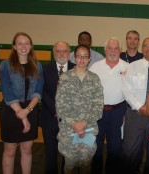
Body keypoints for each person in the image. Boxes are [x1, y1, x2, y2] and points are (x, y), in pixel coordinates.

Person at [0, 32, 44, 174]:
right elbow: (7, 92)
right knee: (10, 151)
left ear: (31, 46)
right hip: (11, 111)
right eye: (20, 43)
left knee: (27, 149)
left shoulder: (38, 65)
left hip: (31, 110)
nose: (23, 46)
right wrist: (22, 115)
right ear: (14, 46)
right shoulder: (5, 65)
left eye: (26, 43)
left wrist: (28, 110)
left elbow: (38, 91)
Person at [121, 37, 149, 174]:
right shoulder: (132, 66)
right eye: (146, 45)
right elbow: (126, 89)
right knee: (130, 151)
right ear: (142, 48)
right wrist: (140, 106)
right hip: (136, 115)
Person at [56, 44, 104, 174]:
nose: (82, 59)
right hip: (69, 131)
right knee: (69, 166)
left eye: (85, 56)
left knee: (86, 166)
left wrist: (83, 124)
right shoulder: (65, 78)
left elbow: (98, 107)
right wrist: (74, 124)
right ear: (74, 58)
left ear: (89, 59)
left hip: (88, 130)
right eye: (79, 56)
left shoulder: (94, 79)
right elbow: (60, 105)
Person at [89, 37, 129, 174]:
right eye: (110, 48)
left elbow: (131, 91)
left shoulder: (127, 67)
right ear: (105, 50)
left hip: (118, 112)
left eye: (116, 48)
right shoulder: (95, 67)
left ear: (120, 50)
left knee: (115, 148)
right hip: (97, 112)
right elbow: (89, 91)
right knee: (96, 147)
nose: (113, 51)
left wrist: (126, 112)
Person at [39, 41, 75, 174]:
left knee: (68, 154)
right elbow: (41, 91)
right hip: (49, 116)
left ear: (69, 52)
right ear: (54, 53)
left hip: (70, 119)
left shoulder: (76, 69)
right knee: (50, 152)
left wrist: (66, 111)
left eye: (64, 51)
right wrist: (56, 109)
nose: (61, 54)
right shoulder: (44, 69)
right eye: (58, 51)